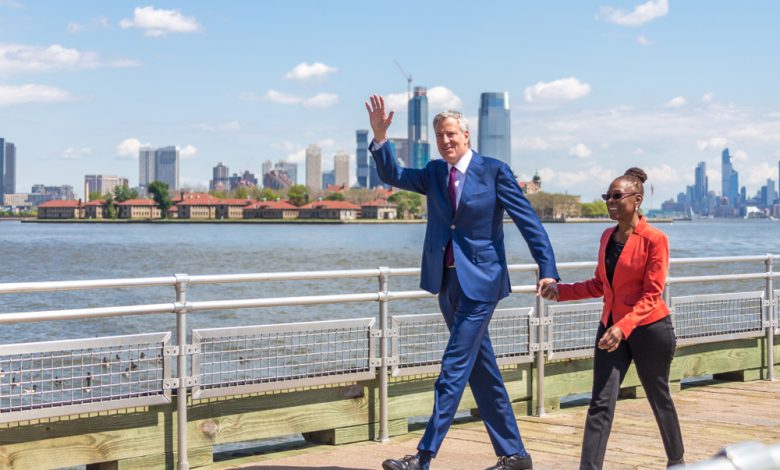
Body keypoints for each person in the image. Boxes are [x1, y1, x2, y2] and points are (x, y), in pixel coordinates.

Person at [365, 95, 559, 470]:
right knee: (481, 370)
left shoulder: (494, 171)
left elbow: (528, 222)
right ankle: (515, 455)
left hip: (482, 284)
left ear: (467, 135)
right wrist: (380, 136)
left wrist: (547, 268)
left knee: (453, 367)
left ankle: (423, 457)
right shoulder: (436, 173)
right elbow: (392, 175)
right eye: (440, 136)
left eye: (451, 134)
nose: (445, 141)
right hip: (446, 283)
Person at [540, 168, 685, 469]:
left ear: (637, 199)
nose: (610, 202)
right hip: (611, 329)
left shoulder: (655, 240)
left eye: (617, 196)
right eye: (607, 196)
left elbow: (652, 294)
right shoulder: (607, 236)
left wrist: (623, 328)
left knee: (659, 398)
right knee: (600, 403)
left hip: (649, 330)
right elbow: (599, 284)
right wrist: (560, 291)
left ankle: (677, 460)